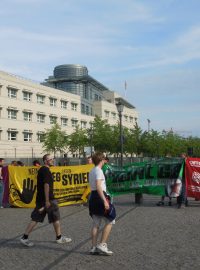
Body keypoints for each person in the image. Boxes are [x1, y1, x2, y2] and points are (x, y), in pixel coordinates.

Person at [20, 154, 72, 247]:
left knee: (38, 218)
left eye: (53, 158)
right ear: (45, 161)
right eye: (50, 159)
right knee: (54, 218)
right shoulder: (45, 170)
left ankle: (25, 237)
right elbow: (46, 185)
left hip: (42, 199)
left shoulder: (42, 170)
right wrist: (47, 201)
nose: (52, 160)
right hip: (48, 200)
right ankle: (59, 238)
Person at [89, 152, 116, 256]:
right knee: (111, 219)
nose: (105, 160)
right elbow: (99, 186)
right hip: (100, 197)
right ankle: (102, 244)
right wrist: (105, 201)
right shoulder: (99, 171)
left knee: (96, 223)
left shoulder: (91, 170)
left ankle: (93, 247)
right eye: (104, 159)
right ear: (101, 160)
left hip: (93, 197)